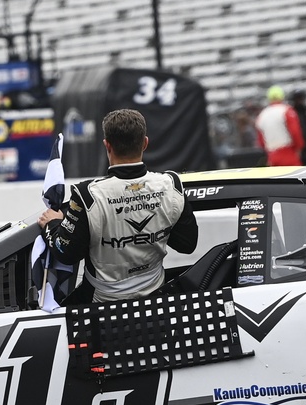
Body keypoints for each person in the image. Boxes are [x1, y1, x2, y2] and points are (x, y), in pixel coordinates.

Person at [37, 109, 198, 303]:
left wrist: (52, 225)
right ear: (145, 143)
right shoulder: (171, 185)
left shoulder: (87, 195)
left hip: (101, 304)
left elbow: (66, 253)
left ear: (107, 145)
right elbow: (187, 245)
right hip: (157, 299)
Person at [255, 85, 304, 166]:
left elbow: (261, 140)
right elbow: (295, 132)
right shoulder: (287, 110)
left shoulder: (262, 115)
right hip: (289, 153)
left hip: (271, 156)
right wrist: (299, 147)